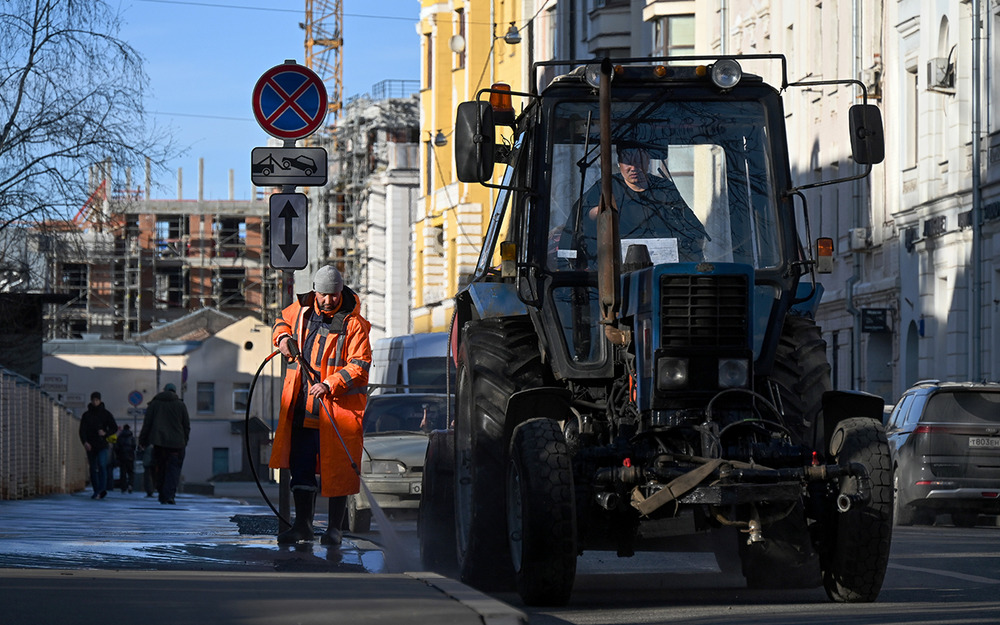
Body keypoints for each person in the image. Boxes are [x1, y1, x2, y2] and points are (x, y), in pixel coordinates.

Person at [269, 265, 372, 546]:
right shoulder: (301, 310)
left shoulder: (354, 324)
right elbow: (281, 322)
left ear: (342, 292)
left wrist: (329, 384)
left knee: (338, 471)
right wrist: (283, 339)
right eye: (324, 295)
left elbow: (360, 365)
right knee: (301, 469)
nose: (329, 301)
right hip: (302, 407)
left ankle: (334, 530)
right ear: (315, 291)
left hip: (337, 411)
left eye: (334, 295)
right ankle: (303, 526)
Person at [557, 143, 709, 265]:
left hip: (661, 272)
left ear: (648, 160)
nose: (633, 167)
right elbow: (579, 221)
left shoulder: (664, 188)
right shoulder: (605, 187)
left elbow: (692, 229)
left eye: (639, 160)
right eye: (627, 160)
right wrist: (598, 212)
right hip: (613, 275)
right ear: (619, 162)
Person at [138, 383, 190, 505]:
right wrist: (184, 441)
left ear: (164, 391)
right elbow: (186, 426)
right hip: (177, 444)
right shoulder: (181, 405)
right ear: (175, 391)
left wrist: (142, 440)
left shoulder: (155, 404)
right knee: (173, 470)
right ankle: (170, 495)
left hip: (159, 443)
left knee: (160, 469)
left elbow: (147, 424)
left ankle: (162, 493)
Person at [79, 392, 118, 499]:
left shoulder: (106, 414)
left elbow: (114, 427)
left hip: (102, 444)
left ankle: (101, 489)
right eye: (93, 400)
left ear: (100, 400)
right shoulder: (86, 415)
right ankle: (96, 490)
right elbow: (82, 430)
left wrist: (105, 433)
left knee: (102, 465)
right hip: (91, 444)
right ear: (91, 401)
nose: (95, 402)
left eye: (97, 400)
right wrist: (85, 442)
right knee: (92, 468)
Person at [115, 424, 137, 493]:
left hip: (122, 457)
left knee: (123, 473)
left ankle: (123, 487)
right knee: (131, 472)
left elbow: (116, 448)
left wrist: (118, 455)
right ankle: (130, 485)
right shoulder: (132, 437)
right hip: (130, 457)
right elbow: (134, 446)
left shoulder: (119, 437)